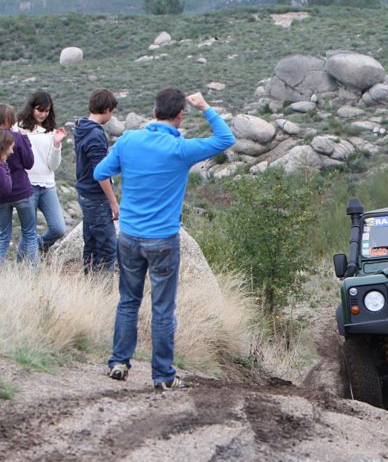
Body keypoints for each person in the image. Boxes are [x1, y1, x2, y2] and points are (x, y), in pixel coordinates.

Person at [94, 88, 235, 390]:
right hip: (163, 240)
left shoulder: (130, 140)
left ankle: (119, 362)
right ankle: (162, 377)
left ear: (154, 110)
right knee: (162, 309)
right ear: (180, 115)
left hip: (129, 236)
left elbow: (100, 172)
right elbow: (226, 139)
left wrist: (120, 198)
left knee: (128, 301)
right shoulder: (181, 149)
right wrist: (205, 107)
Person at [0, 104, 37, 270]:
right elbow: (29, 163)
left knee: (3, 237)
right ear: (8, 120)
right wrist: (25, 138)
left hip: (1, 195)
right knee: (30, 234)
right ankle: (33, 275)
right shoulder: (16, 137)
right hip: (22, 191)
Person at [15, 91, 68, 252]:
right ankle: (26, 267)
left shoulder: (51, 131)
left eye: (46, 111)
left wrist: (57, 144)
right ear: (32, 108)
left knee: (58, 228)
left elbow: (53, 165)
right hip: (26, 186)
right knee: (28, 231)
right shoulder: (18, 127)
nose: (43, 114)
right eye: (40, 110)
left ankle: (35, 248)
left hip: (47, 185)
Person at [74, 88, 119, 274]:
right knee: (108, 249)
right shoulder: (96, 135)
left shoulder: (81, 127)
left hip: (84, 193)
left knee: (91, 245)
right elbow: (100, 173)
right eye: (113, 111)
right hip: (96, 198)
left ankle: (90, 287)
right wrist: (113, 203)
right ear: (107, 109)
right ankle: (103, 293)